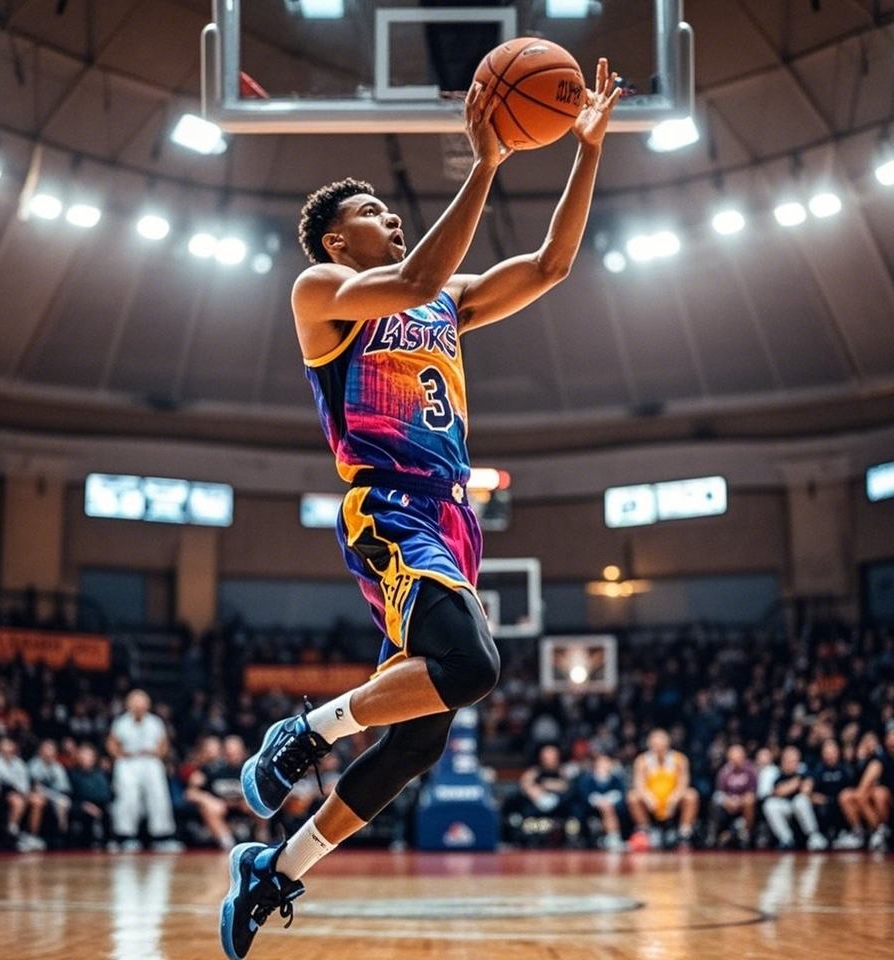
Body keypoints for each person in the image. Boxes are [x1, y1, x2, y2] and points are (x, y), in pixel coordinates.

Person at [219, 61, 623, 960]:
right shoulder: (320, 294)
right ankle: (306, 731)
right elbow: (409, 281)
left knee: (417, 744)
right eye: (374, 212)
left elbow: (551, 264)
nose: (392, 218)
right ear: (334, 239)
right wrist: (486, 161)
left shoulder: (447, 298)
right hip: (389, 506)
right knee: (472, 665)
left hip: (453, 519)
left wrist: (587, 150)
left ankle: (275, 866)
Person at [106, 689, 183, 852]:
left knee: (158, 797)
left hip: (150, 761)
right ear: (128, 704)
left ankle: (162, 837)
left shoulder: (155, 722)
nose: (139, 706)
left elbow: (164, 743)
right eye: (135, 702)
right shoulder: (121, 722)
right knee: (127, 798)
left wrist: (158, 754)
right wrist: (119, 755)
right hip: (128, 762)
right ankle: (125, 837)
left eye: (142, 702)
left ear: (148, 705)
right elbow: (111, 743)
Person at [627, 729, 699, 850]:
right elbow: (639, 784)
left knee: (691, 795)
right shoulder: (642, 760)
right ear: (649, 744)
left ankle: (684, 832)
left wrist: (674, 798)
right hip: (652, 800)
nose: (658, 748)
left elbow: (683, 783)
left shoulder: (679, 759)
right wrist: (648, 797)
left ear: (668, 744)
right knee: (633, 796)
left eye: (661, 744)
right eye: (655, 745)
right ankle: (645, 830)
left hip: (672, 799)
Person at [761, 744, 828, 850]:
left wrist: (791, 786)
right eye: (788, 760)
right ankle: (786, 839)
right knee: (769, 804)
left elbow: (806, 790)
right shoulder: (779, 776)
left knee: (800, 800)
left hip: (803, 807)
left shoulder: (805, 772)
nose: (792, 763)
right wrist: (795, 784)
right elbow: (778, 792)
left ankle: (814, 836)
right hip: (787, 807)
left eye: (794, 760)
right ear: (783, 761)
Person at [0, 736, 47, 851]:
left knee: (38, 801)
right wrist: (20, 791)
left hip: (20, 792)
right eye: (5, 745)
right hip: (1, 792)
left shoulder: (18, 762)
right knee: (17, 802)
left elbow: (24, 782)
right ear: (0, 747)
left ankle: (32, 836)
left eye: (10, 745)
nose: (8, 747)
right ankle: (12, 835)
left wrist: (25, 792)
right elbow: (3, 778)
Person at [710, 744, 757, 848]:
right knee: (716, 798)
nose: (735, 760)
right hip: (728, 801)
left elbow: (752, 792)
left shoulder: (750, 770)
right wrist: (728, 801)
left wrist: (739, 801)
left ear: (743, 757)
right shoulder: (724, 771)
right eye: (733, 758)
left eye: (738, 757)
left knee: (749, 800)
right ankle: (714, 834)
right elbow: (720, 792)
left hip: (744, 802)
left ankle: (745, 833)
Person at [856, 724, 894, 851]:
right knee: (874, 793)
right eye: (890, 735)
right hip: (886, 796)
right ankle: (880, 830)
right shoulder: (880, 759)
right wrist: (861, 760)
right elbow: (862, 787)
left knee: (879, 793)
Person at [579, 753, 628, 851]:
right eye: (601, 762)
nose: (604, 765)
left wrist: (608, 801)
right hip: (592, 809)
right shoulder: (587, 779)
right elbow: (585, 795)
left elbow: (621, 794)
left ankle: (613, 837)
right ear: (595, 764)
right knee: (605, 807)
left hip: (614, 807)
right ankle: (612, 837)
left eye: (606, 762)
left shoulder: (616, 779)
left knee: (608, 808)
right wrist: (599, 801)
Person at [68, 743, 113, 848]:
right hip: (80, 805)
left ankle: (109, 842)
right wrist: (84, 805)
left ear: (94, 758)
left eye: (88, 755)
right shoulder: (72, 774)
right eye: (83, 754)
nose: (85, 758)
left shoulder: (100, 774)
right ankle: (87, 845)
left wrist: (99, 806)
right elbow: (70, 796)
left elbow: (106, 794)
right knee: (87, 816)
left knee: (107, 813)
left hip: (101, 805)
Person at [28, 738, 73, 843]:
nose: (49, 752)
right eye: (46, 749)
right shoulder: (34, 764)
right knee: (42, 800)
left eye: (51, 749)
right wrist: (54, 796)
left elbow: (64, 788)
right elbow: (36, 787)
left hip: (54, 796)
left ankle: (61, 836)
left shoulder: (57, 767)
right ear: (40, 751)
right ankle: (32, 836)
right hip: (36, 795)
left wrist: (56, 796)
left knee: (64, 802)